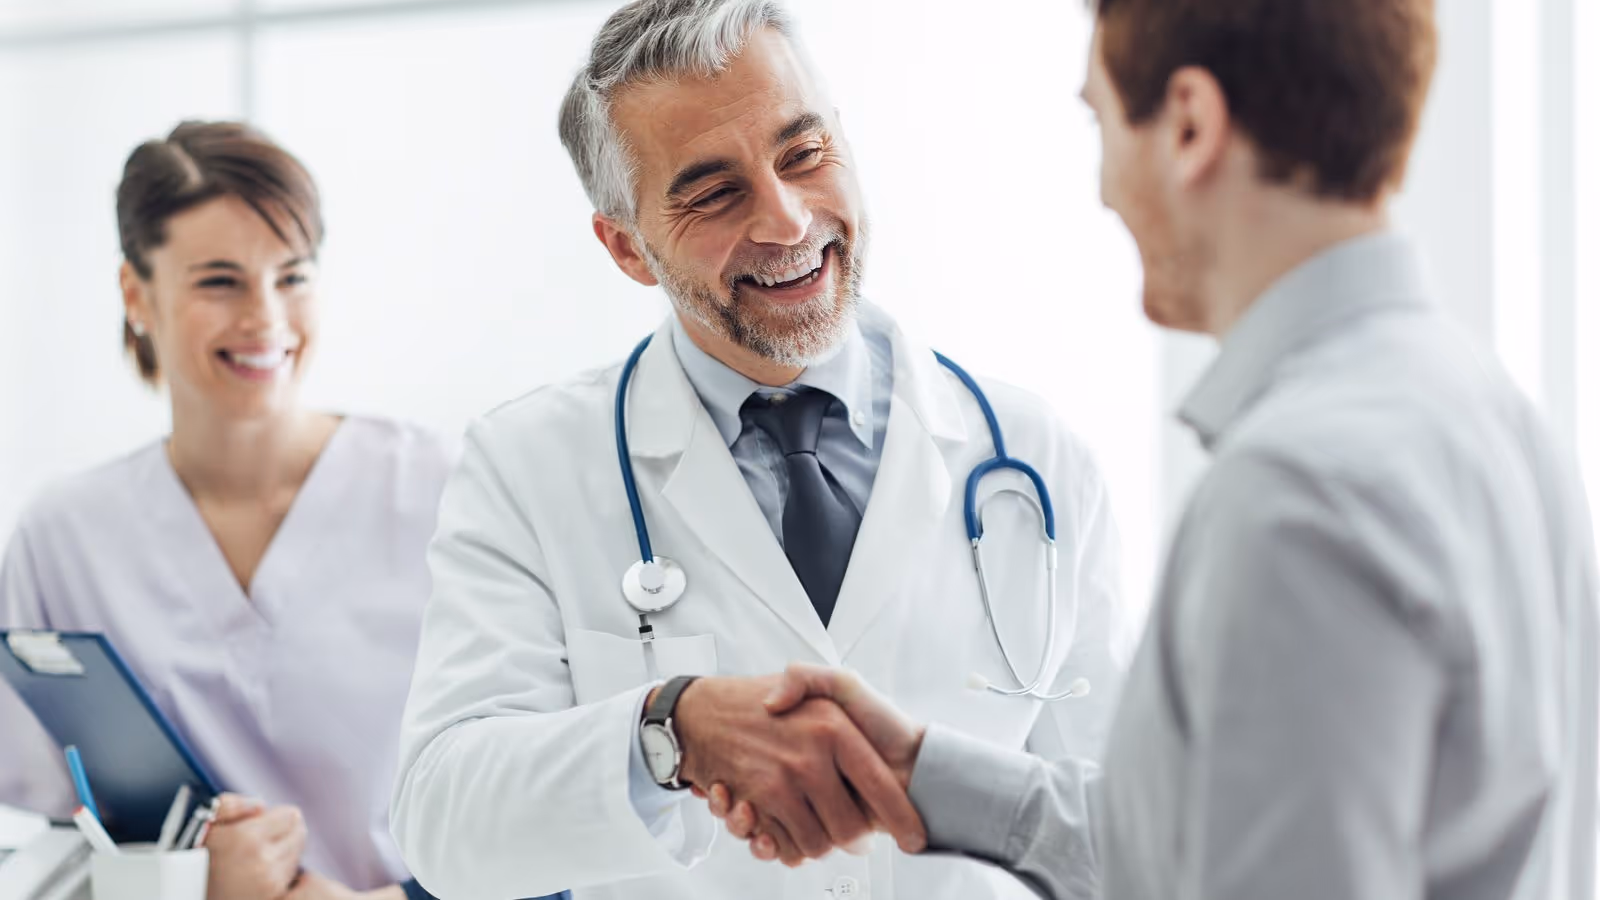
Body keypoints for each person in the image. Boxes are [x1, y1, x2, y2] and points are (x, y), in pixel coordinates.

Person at [705, 1, 1600, 898]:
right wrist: (919, 776)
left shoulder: (1295, 491)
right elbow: (1213, 833)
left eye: (1101, 120)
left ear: (1190, 124)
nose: (1103, 186)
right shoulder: (1489, 411)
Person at [386, 1, 1127, 898]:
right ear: (627, 245)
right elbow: (442, 821)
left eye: (803, 155)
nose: (785, 219)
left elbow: (1118, 828)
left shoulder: (1035, 457)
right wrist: (671, 729)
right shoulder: (528, 466)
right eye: (713, 193)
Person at [0, 121, 519, 900]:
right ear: (135, 294)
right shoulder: (64, 535)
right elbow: (44, 839)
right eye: (219, 281)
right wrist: (187, 885)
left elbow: (550, 798)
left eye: (293, 276)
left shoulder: (446, 488)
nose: (266, 317)